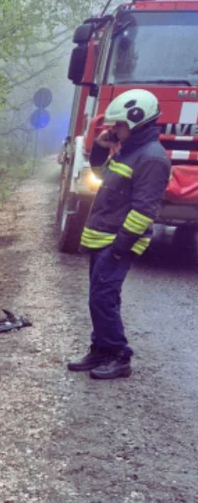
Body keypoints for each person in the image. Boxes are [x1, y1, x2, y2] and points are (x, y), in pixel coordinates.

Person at [67, 89, 171, 380]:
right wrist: (101, 148)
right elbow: (103, 177)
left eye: (119, 125)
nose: (114, 129)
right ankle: (100, 349)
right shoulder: (129, 151)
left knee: (104, 298)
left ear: (138, 122)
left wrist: (120, 247)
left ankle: (118, 355)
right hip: (104, 237)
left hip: (116, 242)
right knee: (98, 297)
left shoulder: (151, 159)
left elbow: (144, 210)